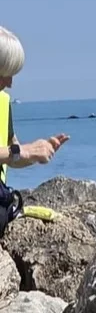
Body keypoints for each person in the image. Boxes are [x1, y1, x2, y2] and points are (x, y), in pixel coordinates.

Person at [0, 26, 69, 227]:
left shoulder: (3, 103)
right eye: (4, 73)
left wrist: (38, 154)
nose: (10, 83)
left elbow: (13, 158)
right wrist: (25, 151)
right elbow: (16, 152)